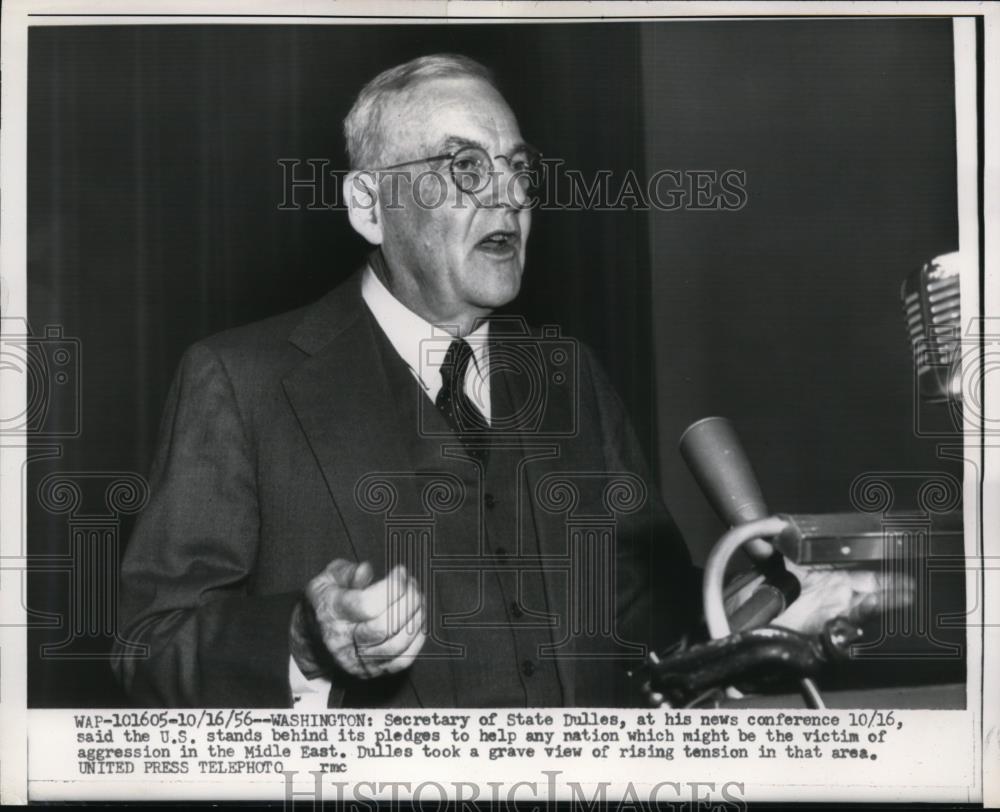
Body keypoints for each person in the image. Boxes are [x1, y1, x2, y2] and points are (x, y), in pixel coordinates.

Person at [111, 54, 901, 709]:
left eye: (519, 168)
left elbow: (654, 641)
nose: (512, 195)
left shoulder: (572, 381)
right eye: (465, 166)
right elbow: (149, 648)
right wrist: (303, 642)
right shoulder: (241, 382)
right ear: (368, 205)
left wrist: (766, 611)